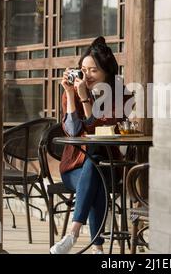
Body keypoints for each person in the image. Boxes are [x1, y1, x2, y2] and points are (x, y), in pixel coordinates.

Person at [50, 37, 127, 254]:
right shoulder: (73, 91)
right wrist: (70, 94)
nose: (87, 75)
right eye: (83, 69)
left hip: (111, 167)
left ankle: (73, 234)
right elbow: (73, 131)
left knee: (96, 162)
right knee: (96, 172)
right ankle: (97, 250)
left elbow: (99, 129)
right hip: (73, 168)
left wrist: (85, 97)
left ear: (107, 72)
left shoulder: (119, 94)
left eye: (93, 70)